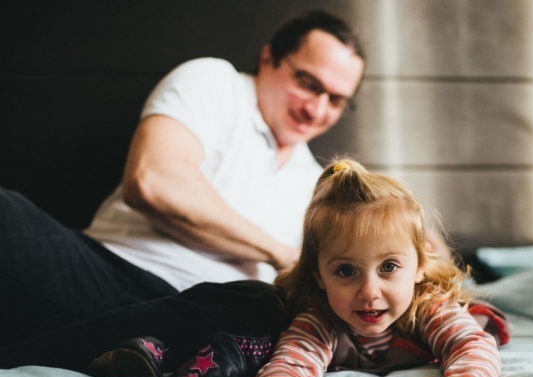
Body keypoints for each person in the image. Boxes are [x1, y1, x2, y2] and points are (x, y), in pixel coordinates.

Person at [0, 9, 365, 346]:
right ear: (268, 58)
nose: (315, 109)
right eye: (308, 83)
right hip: (105, 270)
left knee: (256, 307)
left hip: (199, 319)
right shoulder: (216, 82)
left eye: (335, 100)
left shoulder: (318, 186)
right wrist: (279, 252)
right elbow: (154, 182)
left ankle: (82, 349)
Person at [241, 160, 509, 377]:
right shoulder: (321, 317)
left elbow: (470, 344)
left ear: (420, 266)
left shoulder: (428, 305)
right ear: (319, 276)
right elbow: (292, 361)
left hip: (438, 296)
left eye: (389, 266)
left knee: (471, 298)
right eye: (346, 271)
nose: (369, 292)